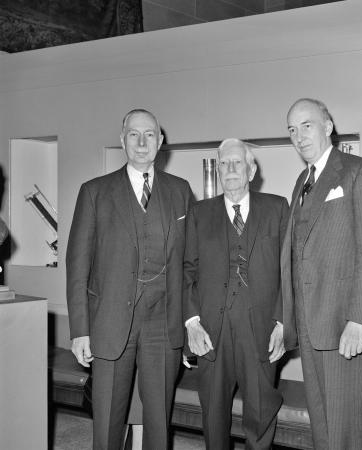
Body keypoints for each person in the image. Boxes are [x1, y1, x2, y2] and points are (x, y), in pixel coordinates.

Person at [66, 108, 193, 450]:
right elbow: (77, 265)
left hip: (163, 326)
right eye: (133, 134)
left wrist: (191, 322)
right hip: (110, 323)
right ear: (122, 141)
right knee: (107, 421)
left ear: (160, 141)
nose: (141, 142)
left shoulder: (181, 191)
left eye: (149, 134)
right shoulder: (95, 192)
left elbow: (190, 264)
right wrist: (80, 329)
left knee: (157, 425)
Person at [282, 98, 362, 450]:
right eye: (292, 130)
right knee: (323, 430)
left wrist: (359, 320)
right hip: (312, 327)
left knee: (345, 432)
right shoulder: (302, 181)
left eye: (307, 125)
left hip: (347, 327)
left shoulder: (360, 171)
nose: (299, 137)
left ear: (328, 126)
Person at [184, 138, 289, 450]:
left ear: (251, 170)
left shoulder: (277, 208)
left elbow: (289, 271)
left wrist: (283, 324)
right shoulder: (199, 213)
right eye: (223, 164)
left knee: (260, 412)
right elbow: (187, 269)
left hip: (261, 331)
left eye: (237, 163)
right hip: (211, 333)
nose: (229, 169)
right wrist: (191, 322)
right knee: (213, 414)